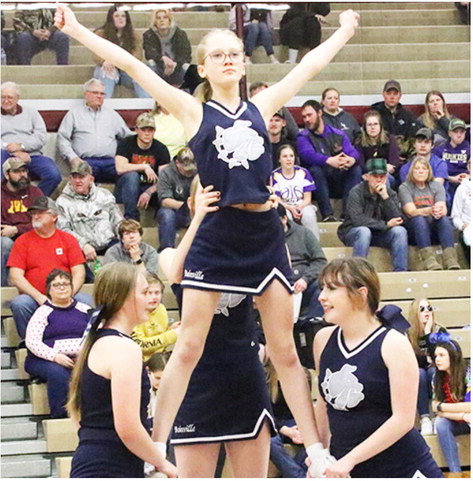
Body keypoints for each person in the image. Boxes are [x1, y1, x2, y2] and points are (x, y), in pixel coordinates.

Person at [54, 6, 360, 476]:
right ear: (203, 66)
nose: (228, 60)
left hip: (262, 232)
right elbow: (134, 65)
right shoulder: (192, 109)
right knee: (190, 345)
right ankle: (156, 452)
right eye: (217, 55)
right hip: (218, 231)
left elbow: (308, 66)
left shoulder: (262, 106)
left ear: (243, 61)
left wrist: (343, 31)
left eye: (234, 53)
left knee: (283, 349)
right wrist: (75, 29)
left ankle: (316, 451)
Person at [157, 178, 275, 477]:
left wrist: (264, 216)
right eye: (207, 197)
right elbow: (175, 272)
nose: (216, 205)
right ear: (191, 203)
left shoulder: (245, 251)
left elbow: (278, 274)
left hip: (243, 376)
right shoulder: (170, 252)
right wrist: (200, 219)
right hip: (195, 380)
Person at [312, 257, 444, 477]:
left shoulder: (393, 343)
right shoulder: (322, 339)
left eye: (332, 289)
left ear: (362, 294)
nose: (322, 297)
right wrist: (319, 453)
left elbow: (403, 420)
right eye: (322, 288)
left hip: (401, 467)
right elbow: (324, 404)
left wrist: (350, 460)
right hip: (347, 466)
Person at [66, 262, 177, 478]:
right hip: (110, 466)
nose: (151, 299)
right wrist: (162, 463)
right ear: (123, 297)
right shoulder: (123, 348)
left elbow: (79, 417)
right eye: (144, 292)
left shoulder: (99, 340)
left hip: (96, 460)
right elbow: (127, 427)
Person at [7, 196, 90, 341]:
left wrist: (68, 294)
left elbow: (79, 272)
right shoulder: (23, 241)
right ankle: (29, 343)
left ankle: (84, 342)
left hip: (65, 293)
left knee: (86, 300)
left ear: (54, 216)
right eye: (33, 213)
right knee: (20, 303)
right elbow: (15, 276)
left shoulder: (68, 239)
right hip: (34, 297)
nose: (35, 216)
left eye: (41, 212)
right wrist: (40, 298)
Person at [25, 269, 90, 418]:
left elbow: (95, 335)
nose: (62, 287)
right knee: (59, 374)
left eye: (66, 284)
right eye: (57, 285)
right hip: (45, 359)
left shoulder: (85, 310)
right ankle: (60, 417)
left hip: (81, 357)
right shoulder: (43, 312)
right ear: (49, 290)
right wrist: (55, 356)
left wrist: (84, 354)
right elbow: (32, 342)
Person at [338, 158, 408, 272]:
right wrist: (385, 225)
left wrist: (385, 198)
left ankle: (401, 271)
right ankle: (358, 272)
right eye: (375, 176)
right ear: (366, 177)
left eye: (382, 176)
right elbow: (358, 220)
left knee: (400, 231)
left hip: (379, 234)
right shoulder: (356, 192)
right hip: (354, 233)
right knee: (364, 231)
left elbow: (398, 219)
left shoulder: (390, 193)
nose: (379, 180)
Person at [298, 99, 362, 222]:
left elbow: (353, 152)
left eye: (309, 115)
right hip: (319, 184)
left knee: (356, 169)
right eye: (304, 117)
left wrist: (351, 159)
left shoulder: (337, 133)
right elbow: (307, 155)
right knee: (315, 170)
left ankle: (348, 214)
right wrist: (329, 160)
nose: (306, 119)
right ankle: (328, 215)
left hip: (338, 180)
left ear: (320, 113)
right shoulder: (303, 136)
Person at [57, 78, 132, 183]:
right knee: (83, 177)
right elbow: (62, 139)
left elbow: (128, 137)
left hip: (111, 162)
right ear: (86, 94)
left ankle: (123, 200)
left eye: (102, 94)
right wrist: (73, 158)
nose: (99, 96)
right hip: (86, 162)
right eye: (96, 93)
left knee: (131, 176)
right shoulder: (74, 114)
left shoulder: (112, 114)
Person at [399, 157, 460, 271]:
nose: (421, 171)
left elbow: (443, 208)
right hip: (415, 230)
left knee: (444, 219)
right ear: (412, 171)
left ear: (428, 171)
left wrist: (438, 211)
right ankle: (429, 260)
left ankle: (450, 259)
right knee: (419, 219)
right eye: (417, 169)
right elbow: (411, 211)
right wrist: (430, 210)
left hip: (433, 226)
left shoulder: (436, 186)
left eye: (424, 168)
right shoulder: (405, 187)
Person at [1, 81, 61, 196]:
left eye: (10, 97)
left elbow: (41, 137)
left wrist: (22, 147)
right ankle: (5, 203)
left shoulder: (32, 113)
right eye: (3, 97)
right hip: (5, 155)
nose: (6, 101)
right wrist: (12, 150)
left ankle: (32, 202)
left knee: (53, 175)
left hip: (32, 155)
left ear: (18, 98)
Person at [56, 161, 123, 264]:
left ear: (91, 179)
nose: (78, 181)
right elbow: (64, 230)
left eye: (81, 177)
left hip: (108, 243)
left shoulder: (104, 195)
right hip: (80, 248)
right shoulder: (62, 202)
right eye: (74, 177)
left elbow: (118, 221)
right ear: (70, 179)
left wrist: (124, 237)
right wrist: (84, 244)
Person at [115, 112, 170, 221]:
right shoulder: (126, 143)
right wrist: (144, 167)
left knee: (164, 191)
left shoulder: (161, 148)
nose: (147, 133)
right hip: (126, 189)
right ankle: (132, 220)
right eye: (143, 130)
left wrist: (149, 192)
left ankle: (160, 218)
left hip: (149, 188)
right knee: (132, 176)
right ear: (136, 130)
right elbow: (120, 168)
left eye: (150, 130)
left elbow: (165, 180)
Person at [277, 204, 326, 320]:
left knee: (321, 288)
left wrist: (305, 279)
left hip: (303, 282)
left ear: (284, 219)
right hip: (276, 285)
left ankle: (310, 323)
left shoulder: (304, 234)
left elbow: (320, 260)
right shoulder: (263, 237)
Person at [407, 298, 448, 436]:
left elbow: (437, 359)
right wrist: (425, 336)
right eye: (422, 309)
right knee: (420, 373)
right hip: (416, 376)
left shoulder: (440, 331)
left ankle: (438, 415)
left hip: (434, 374)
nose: (427, 312)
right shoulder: (407, 334)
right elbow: (415, 361)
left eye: (429, 308)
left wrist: (427, 333)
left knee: (432, 371)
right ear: (415, 312)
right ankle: (425, 418)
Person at [432, 337, 471, 476]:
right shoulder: (437, 377)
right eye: (436, 356)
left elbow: (470, 406)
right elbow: (435, 406)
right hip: (459, 420)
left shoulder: (468, 372)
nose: (437, 359)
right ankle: (455, 473)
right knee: (441, 423)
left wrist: (442, 407)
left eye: (442, 355)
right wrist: (461, 415)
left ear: (453, 357)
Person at [1, 158, 43, 286]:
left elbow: (43, 222)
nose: (22, 175)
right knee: (4, 244)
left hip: (31, 236)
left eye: (24, 171)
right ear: (7, 175)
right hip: (5, 237)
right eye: (17, 172)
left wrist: (16, 229)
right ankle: (3, 290)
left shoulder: (35, 192)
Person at [92, 6, 149, 99]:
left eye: (123, 16)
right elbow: (96, 55)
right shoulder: (101, 34)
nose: (120, 18)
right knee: (107, 72)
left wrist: (117, 62)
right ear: (111, 18)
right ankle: (103, 104)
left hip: (126, 71)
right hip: (108, 68)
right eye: (117, 16)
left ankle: (148, 106)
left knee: (139, 73)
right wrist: (104, 61)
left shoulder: (134, 35)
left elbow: (137, 56)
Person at [266, 360, 308, 478]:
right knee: (270, 442)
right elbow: (265, 414)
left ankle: (290, 474)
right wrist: (285, 430)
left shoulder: (302, 374)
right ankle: (298, 476)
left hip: (294, 421)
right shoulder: (264, 378)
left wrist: (301, 427)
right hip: (272, 424)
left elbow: (304, 408)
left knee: (313, 435)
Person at [271, 144, 319, 240]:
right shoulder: (274, 175)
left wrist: (299, 207)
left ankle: (315, 245)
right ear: (279, 159)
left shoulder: (303, 172)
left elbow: (307, 198)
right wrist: (290, 208)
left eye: (291, 156)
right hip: (285, 206)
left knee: (309, 215)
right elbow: (277, 199)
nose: (289, 159)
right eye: (285, 156)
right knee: (285, 216)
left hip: (303, 205)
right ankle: (290, 247)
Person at [132, 274, 180, 362]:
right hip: (140, 361)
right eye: (149, 293)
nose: (154, 297)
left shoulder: (161, 309)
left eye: (157, 293)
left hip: (160, 356)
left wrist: (171, 330)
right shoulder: (133, 313)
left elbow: (161, 340)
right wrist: (172, 335)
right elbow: (140, 345)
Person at [157, 147, 196, 250]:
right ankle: (166, 250)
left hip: (195, 210)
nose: (189, 172)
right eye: (186, 168)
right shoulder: (166, 173)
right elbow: (165, 201)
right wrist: (187, 205)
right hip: (175, 211)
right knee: (166, 215)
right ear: (178, 163)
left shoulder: (198, 171)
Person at [371, 80, 420, 159]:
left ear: (400, 95)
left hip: (404, 156)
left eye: (395, 94)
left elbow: (412, 137)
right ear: (384, 95)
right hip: (382, 156)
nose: (392, 97)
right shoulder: (374, 114)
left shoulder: (407, 115)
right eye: (389, 93)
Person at [143, 9, 192, 87]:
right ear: (155, 21)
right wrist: (163, 59)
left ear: (169, 20)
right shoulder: (149, 34)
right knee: (150, 64)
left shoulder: (180, 34)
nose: (162, 20)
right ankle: (151, 94)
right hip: (159, 67)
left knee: (189, 68)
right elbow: (149, 53)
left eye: (165, 17)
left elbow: (186, 54)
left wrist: (175, 65)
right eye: (158, 18)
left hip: (177, 67)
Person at [356, 110, 400, 185]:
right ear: (365, 127)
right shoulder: (359, 142)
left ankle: (385, 196)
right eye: (369, 125)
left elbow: (394, 164)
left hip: (388, 176)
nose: (373, 127)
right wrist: (383, 166)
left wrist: (372, 166)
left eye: (375, 124)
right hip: (367, 176)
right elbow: (362, 166)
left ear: (381, 126)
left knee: (383, 179)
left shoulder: (390, 139)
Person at [433, 118, 470, 201]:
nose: (459, 135)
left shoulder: (469, 150)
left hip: (464, 183)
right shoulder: (439, 150)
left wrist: (468, 176)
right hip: (446, 182)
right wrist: (450, 178)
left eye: (462, 132)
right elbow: (434, 170)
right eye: (456, 132)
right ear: (449, 133)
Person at [451, 161, 471, 266]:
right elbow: (455, 216)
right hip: (468, 229)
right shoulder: (462, 189)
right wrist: (462, 226)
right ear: (468, 167)